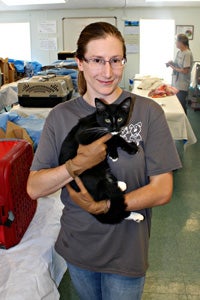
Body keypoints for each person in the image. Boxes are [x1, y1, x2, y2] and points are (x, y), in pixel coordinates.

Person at [27, 22, 182, 300]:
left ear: (124, 61)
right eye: (97, 60)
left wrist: (106, 206)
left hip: (127, 252)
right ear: (80, 63)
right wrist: (74, 166)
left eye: (115, 60)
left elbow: (162, 189)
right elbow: (34, 188)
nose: (108, 72)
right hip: (79, 248)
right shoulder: (61, 116)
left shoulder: (148, 112)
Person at [166, 33, 193, 113]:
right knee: (176, 104)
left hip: (183, 84)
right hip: (176, 83)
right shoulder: (179, 52)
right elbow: (177, 64)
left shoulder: (187, 53)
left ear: (181, 42)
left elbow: (185, 70)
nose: (175, 43)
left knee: (181, 105)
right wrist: (171, 63)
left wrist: (173, 68)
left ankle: (184, 123)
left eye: (176, 41)